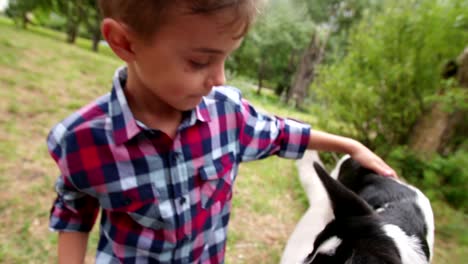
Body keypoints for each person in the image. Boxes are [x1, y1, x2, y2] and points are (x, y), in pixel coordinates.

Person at [47, 1, 396, 263]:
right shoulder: (82, 140)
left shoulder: (227, 115)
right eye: (200, 62)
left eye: (225, 59)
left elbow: (280, 134)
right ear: (124, 42)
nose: (220, 78)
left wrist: (351, 145)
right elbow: (73, 213)